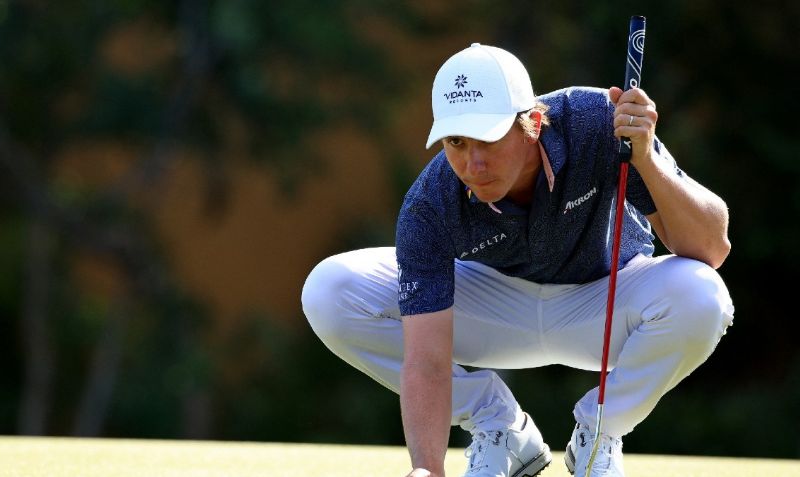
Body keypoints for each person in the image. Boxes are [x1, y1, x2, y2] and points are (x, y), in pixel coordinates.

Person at [301, 42, 734, 477]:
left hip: (606, 301)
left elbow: (712, 247)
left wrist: (646, 160)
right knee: (329, 289)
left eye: (487, 139)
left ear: (532, 123)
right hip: (494, 308)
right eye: (456, 142)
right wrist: (426, 470)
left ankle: (599, 433)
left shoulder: (599, 124)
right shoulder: (430, 203)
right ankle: (498, 426)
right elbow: (427, 359)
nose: (473, 163)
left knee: (702, 294)